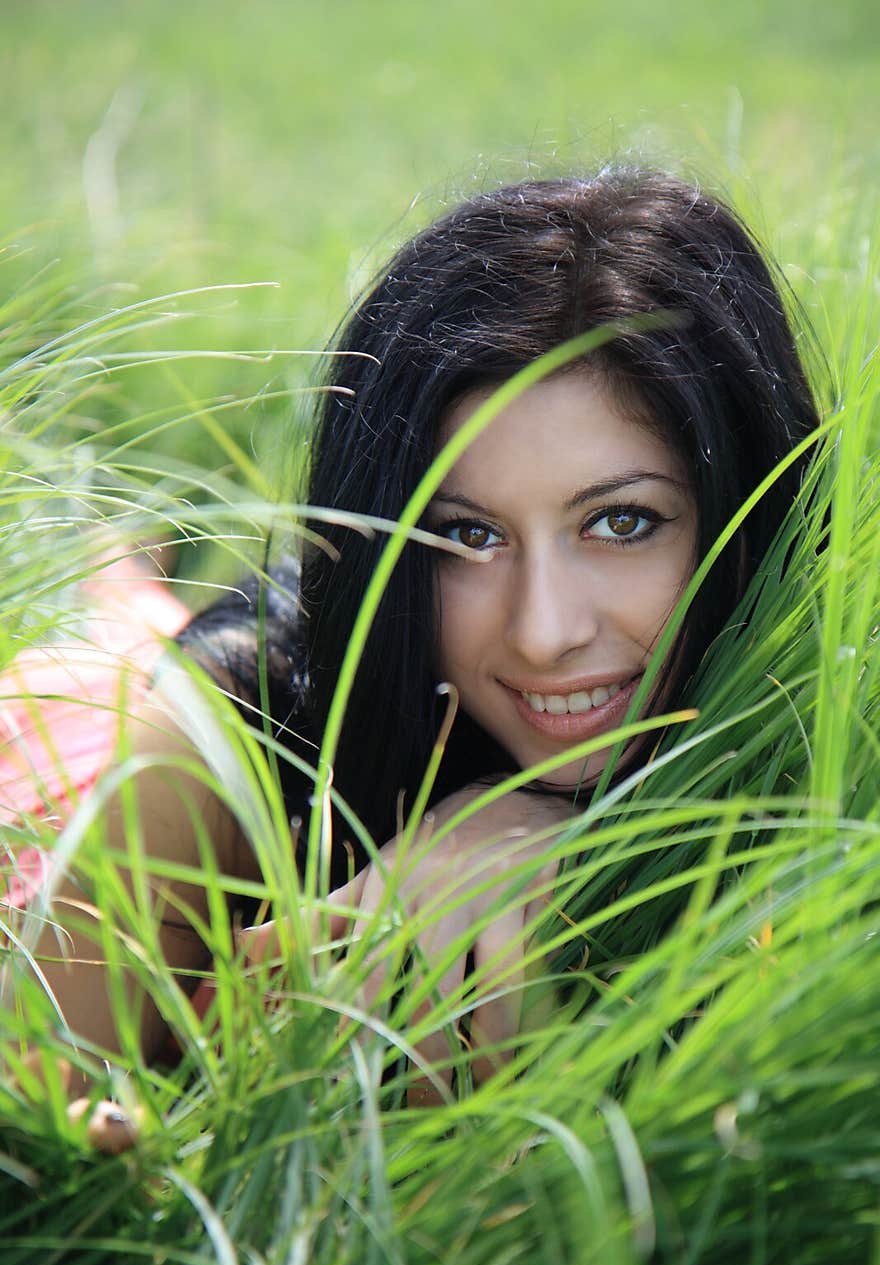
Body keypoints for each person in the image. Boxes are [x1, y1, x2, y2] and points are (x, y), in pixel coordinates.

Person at [3, 166, 820, 1140]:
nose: (543, 630)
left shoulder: (827, 711)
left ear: (740, 504)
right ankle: (117, 568)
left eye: (621, 521)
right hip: (97, 744)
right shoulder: (222, 737)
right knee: (106, 651)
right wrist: (300, 1008)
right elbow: (40, 1115)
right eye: (467, 536)